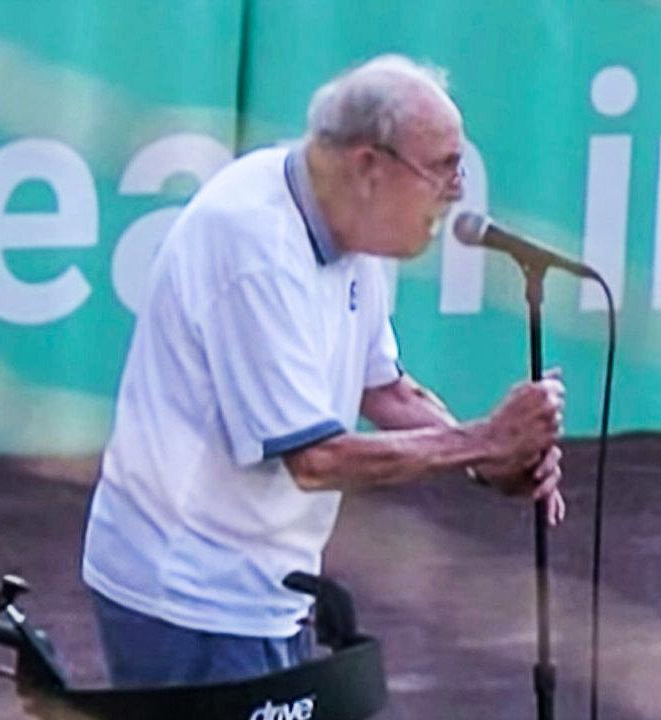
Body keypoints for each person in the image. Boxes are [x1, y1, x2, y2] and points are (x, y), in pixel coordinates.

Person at [80, 54, 566, 688]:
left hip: (264, 590)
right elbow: (315, 460)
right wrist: (483, 440)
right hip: (189, 598)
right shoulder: (253, 245)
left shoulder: (352, 226)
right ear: (369, 166)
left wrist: (489, 462)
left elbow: (387, 389)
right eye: (443, 167)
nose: (457, 190)